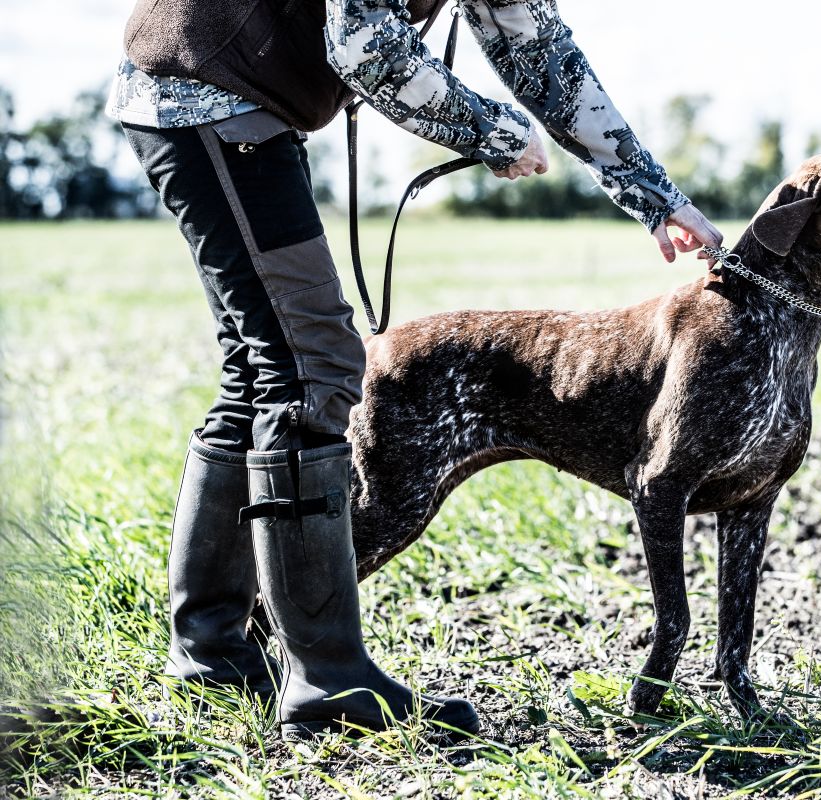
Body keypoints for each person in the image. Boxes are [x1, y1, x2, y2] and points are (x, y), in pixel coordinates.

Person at [106, 0, 723, 739]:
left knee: (263, 366)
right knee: (312, 363)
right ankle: (326, 681)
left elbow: (543, 55)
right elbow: (366, 48)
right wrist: (490, 131)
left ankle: (215, 659)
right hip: (202, 94)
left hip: (226, 104)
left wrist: (656, 198)